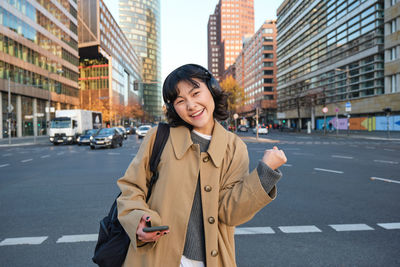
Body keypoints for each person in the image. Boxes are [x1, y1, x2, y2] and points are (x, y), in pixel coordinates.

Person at [117, 64, 287, 267]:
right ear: (173, 108)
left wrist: (264, 174)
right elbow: (131, 188)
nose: (191, 105)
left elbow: (230, 212)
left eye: (196, 93)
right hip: (155, 257)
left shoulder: (234, 147)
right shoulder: (159, 137)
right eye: (180, 101)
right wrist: (138, 220)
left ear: (212, 91)